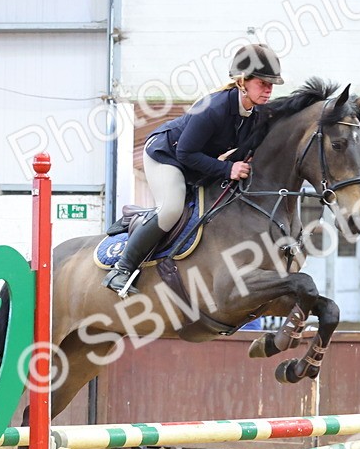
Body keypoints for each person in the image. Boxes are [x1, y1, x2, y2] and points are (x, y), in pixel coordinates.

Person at [103, 43, 283, 295]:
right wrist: (227, 169)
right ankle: (121, 270)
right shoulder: (212, 107)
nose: (268, 90)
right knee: (172, 208)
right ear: (242, 81)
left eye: (272, 85)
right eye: (263, 83)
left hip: (195, 160)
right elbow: (185, 153)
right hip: (166, 155)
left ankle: (140, 220)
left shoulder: (256, 113)